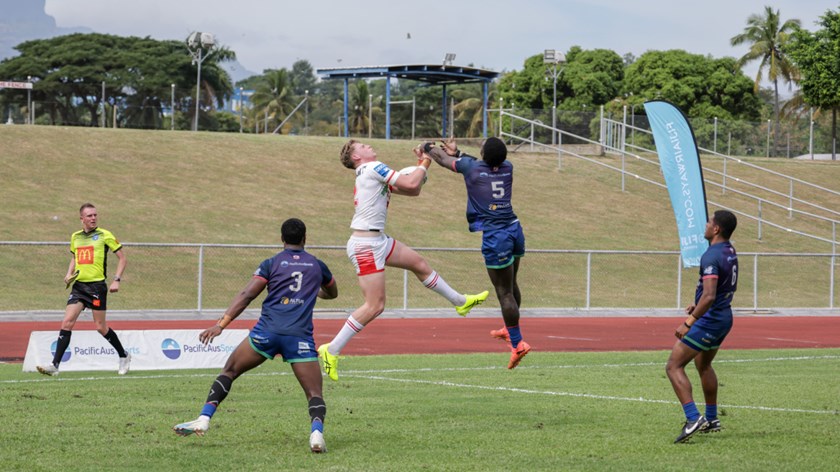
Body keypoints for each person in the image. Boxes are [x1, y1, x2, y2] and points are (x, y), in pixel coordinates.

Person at [317, 140, 489, 381]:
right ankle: (331, 349)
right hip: (366, 245)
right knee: (374, 306)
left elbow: (413, 189)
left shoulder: (369, 172)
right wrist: (427, 159)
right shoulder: (374, 167)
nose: (367, 146)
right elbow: (411, 181)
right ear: (356, 157)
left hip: (377, 241)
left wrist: (422, 163)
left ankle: (461, 302)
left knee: (419, 264)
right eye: (362, 146)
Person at [173, 218, 338, 453]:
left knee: (229, 371)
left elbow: (247, 294)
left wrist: (221, 325)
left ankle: (204, 419)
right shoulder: (317, 265)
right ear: (305, 238)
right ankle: (316, 435)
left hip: (266, 334)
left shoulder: (271, 263)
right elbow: (332, 292)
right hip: (298, 338)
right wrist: (315, 290)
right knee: (314, 393)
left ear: (282, 239)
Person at [427, 138, 531, 369]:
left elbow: (443, 159)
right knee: (512, 285)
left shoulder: (472, 168)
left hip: (496, 237)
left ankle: (517, 343)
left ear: (483, 153)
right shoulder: (508, 167)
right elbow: (479, 161)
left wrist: (427, 148)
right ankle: (509, 327)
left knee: (504, 292)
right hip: (514, 229)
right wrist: (460, 152)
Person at [666, 210, 739, 443]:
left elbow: (709, 296)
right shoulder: (729, 250)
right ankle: (711, 418)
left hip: (711, 319)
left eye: (709, 222)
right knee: (703, 364)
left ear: (716, 229)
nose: (706, 225)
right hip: (723, 315)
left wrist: (690, 321)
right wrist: (698, 304)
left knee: (673, 366)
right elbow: (717, 290)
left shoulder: (711, 256)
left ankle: (693, 418)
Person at [37, 203, 130, 376]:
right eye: (89, 216)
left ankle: (124, 355)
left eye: (95, 215)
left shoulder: (105, 235)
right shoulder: (75, 237)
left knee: (100, 327)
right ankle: (55, 366)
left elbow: (123, 259)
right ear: (82, 219)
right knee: (67, 322)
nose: (93, 218)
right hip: (79, 286)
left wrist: (116, 280)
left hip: (97, 287)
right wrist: (68, 273)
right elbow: (75, 257)